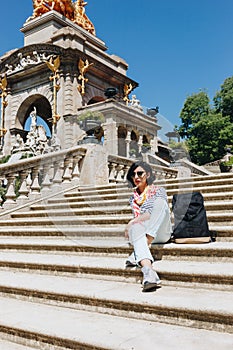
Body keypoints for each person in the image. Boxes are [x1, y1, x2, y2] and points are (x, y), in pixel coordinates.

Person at [125, 161, 172, 292]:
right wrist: (135, 222)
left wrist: (132, 222)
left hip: (162, 231)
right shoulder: (133, 198)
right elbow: (139, 220)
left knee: (160, 203)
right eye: (133, 175)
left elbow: (154, 213)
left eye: (140, 173)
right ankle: (149, 272)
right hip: (144, 231)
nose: (136, 177)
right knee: (137, 227)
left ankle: (141, 247)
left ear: (148, 175)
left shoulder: (158, 191)